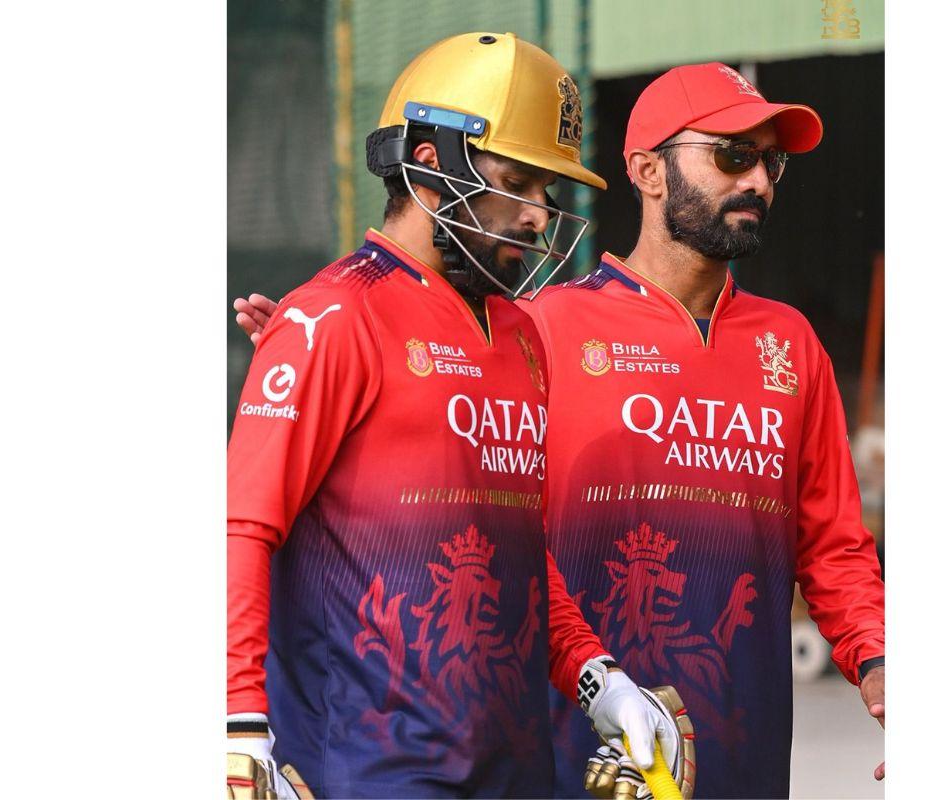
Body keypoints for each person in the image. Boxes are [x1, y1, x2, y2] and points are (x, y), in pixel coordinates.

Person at [237, 62, 886, 799]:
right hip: (559, 760)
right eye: (734, 155)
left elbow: (834, 546)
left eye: (773, 162)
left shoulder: (789, 346)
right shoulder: (543, 326)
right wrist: (325, 360)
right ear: (647, 170)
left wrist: (882, 666)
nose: (760, 182)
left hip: (737, 756)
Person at [226, 32, 680, 799]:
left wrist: (599, 679)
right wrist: (238, 723)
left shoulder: (522, 336)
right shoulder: (332, 318)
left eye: (548, 191)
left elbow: (517, 557)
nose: (540, 216)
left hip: (513, 768)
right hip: (369, 772)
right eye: (518, 182)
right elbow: (244, 528)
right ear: (433, 163)